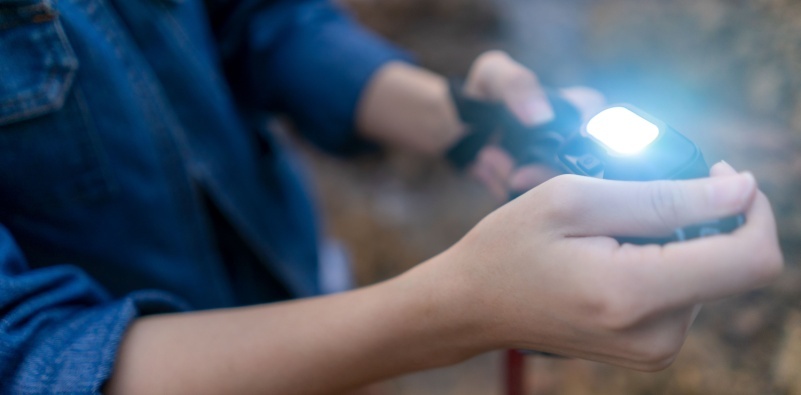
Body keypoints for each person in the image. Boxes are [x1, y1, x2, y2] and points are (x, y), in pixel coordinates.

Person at [0, 1, 782, 394]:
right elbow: (27, 361)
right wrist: (452, 310)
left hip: (291, 259)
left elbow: (254, 21)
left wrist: (464, 122)